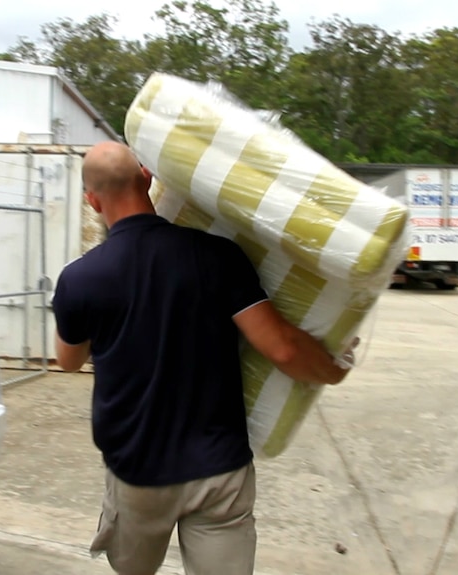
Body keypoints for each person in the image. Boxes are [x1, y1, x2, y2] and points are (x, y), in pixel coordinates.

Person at [51, 141, 353, 575]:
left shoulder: (79, 279)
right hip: (219, 473)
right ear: (147, 178)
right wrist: (334, 370)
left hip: (137, 471)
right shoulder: (217, 256)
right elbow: (282, 346)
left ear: (92, 200)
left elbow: (68, 360)